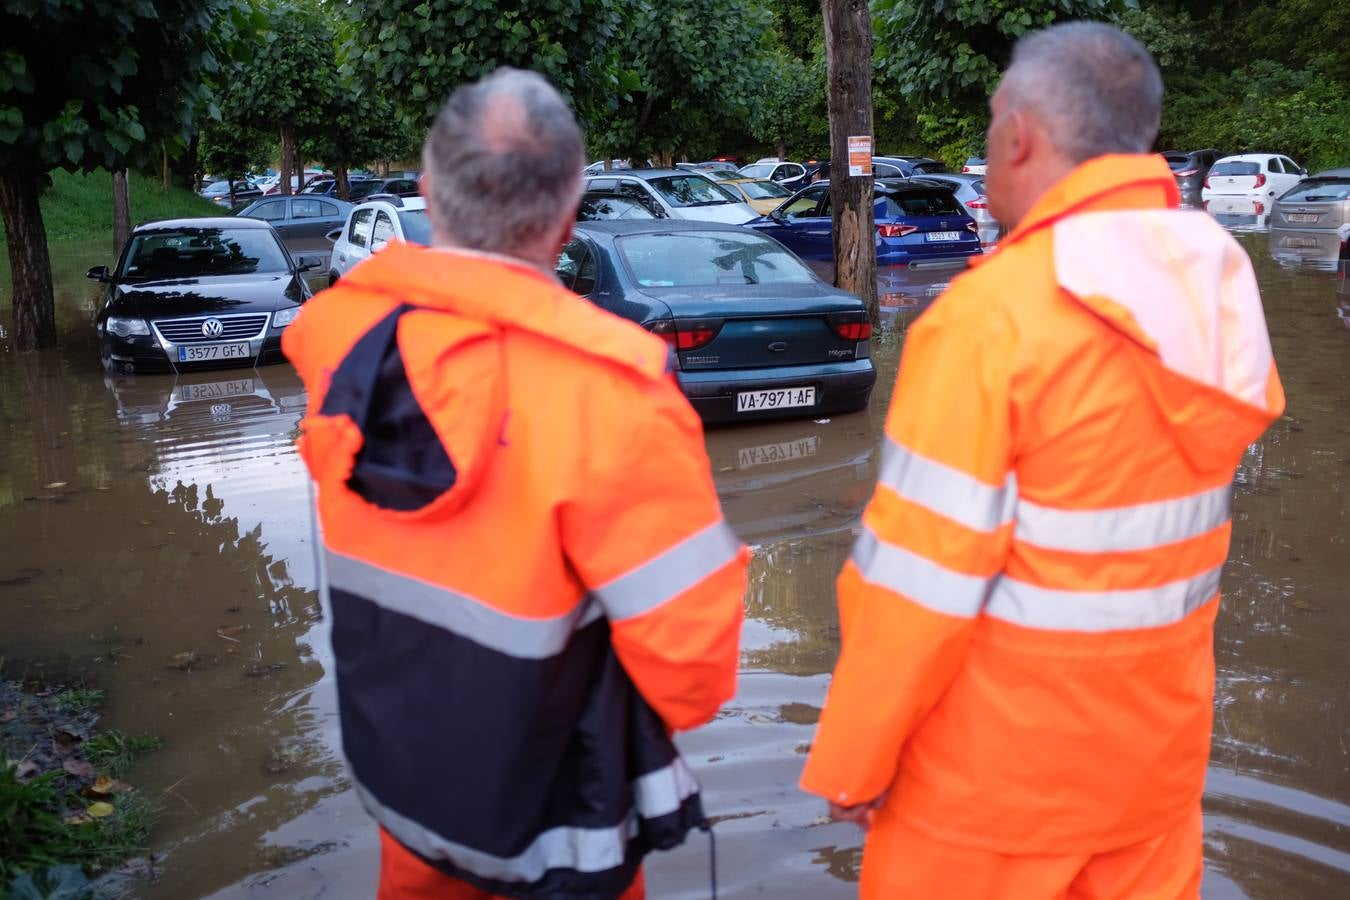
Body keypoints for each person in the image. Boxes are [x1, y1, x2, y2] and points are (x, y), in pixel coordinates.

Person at [802, 22, 1283, 899]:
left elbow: (916, 582)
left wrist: (853, 760)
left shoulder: (993, 318)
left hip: (989, 804)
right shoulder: (1217, 286)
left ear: (1018, 134)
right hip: (1152, 789)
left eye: (991, 127)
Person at [283, 69, 748, 899]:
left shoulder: (346, 350)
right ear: (571, 211)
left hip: (417, 812)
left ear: (428, 192)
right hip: (562, 833)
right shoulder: (613, 396)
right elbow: (694, 671)